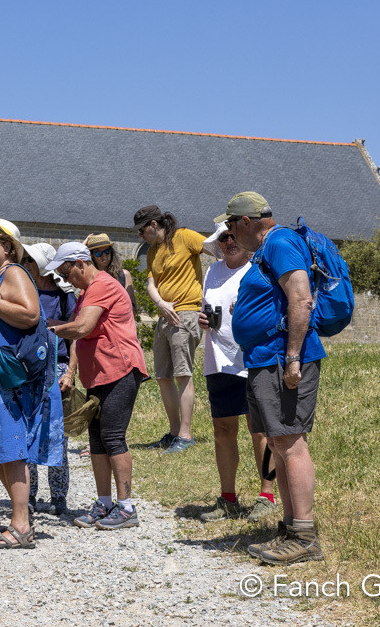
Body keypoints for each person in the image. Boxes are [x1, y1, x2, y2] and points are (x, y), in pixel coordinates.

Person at [216, 192, 325, 565]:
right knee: (279, 444)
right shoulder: (267, 249)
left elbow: (301, 298)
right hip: (264, 360)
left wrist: (293, 357)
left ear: (246, 221)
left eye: (231, 226)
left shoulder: (280, 243)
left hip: (282, 360)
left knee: (291, 443)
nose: (229, 234)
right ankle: (291, 529)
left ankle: (304, 537)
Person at [0, 218, 64, 549]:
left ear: (8, 247)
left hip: (7, 383)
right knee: (1, 451)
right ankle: (19, 521)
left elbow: (30, 314)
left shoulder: (14, 273)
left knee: (10, 449)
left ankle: (21, 527)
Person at [47, 242, 149, 530]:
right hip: (99, 374)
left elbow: (81, 328)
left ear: (80, 264)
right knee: (96, 440)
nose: (64, 279)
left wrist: (47, 329)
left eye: (65, 272)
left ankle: (126, 507)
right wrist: (70, 371)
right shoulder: (86, 292)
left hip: (120, 370)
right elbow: (77, 334)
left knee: (113, 437)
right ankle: (104, 503)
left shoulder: (102, 285)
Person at [196, 224, 277, 524]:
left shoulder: (257, 269)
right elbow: (207, 308)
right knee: (223, 430)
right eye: (223, 238)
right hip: (218, 359)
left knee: (259, 429)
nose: (229, 241)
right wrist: (204, 320)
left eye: (233, 236)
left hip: (250, 358)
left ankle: (267, 496)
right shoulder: (212, 271)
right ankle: (228, 499)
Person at [133, 204, 213, 454]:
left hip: (186, 315)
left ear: (154, 224)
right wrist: (160, 303)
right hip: (164, 316)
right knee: (163, 376)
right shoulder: (152, 251)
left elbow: (217, 251)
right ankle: (175, 431)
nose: (140, 236)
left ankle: (186, 435)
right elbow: (151, 283)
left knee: (182, 374)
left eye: (142, 230)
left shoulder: (185, 237)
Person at [21, 242, 76, 516]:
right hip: (28, 369)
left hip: (58, 366)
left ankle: (59, 495)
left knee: (58, 435)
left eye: (30, 260)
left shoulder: (65, 295)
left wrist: (71, 372)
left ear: (42, 264)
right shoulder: (23, 291)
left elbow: (76, 335)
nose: (25, 265)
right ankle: (29, 494)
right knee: (27, 432)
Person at [85, 233, 136, 317]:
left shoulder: (124, 275)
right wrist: (83, 245)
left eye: (107, 251)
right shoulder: (88, 278)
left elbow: (133, 310)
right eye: (98, 253)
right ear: (92, 256)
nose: (104, 256)